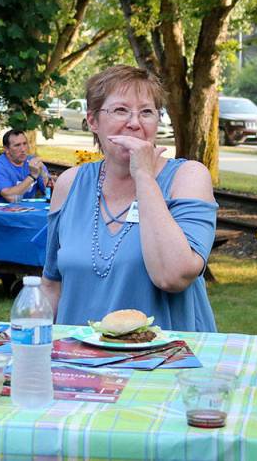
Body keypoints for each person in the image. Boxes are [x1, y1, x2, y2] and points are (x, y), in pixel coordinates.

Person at [42, 65, 217, 332]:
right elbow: (52, 285)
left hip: (167, 362)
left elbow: (173, 276)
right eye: (121, 110)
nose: (135, 123)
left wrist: (144, 177)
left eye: (147, 112)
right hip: (79, 362)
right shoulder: (70, 184)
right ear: (92, 121)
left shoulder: (188, 177)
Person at [0, 129, 49, 203]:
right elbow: (11, 198)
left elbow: (48, 190)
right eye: (17, 145)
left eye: (25, 144)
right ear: (6, 149)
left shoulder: (33, 162)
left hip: (23, 210)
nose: (23, 149)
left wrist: (43, 174)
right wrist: (32, 176)